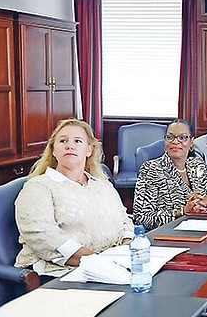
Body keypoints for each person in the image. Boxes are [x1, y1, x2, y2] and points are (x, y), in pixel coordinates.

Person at [14, 118, 135, 278]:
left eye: (77, 141)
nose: (69, 145)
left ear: (89, 150)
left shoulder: (102, 184)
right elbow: (42, 236)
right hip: (62, 273)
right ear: (54, 150)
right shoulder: (39, 187)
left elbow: (124, 221)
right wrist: (97, 262)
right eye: (63, 141)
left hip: (113, 266)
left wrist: (126, 253)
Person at [134, 118, 207, 231]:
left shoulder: (196, 165)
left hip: (202, 227)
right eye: (170, 137)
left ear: (191, 142)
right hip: (169, 234)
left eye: (182, 138)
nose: (175, 142)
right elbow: (141, 218)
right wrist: (181, 211)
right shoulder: (150, 169)